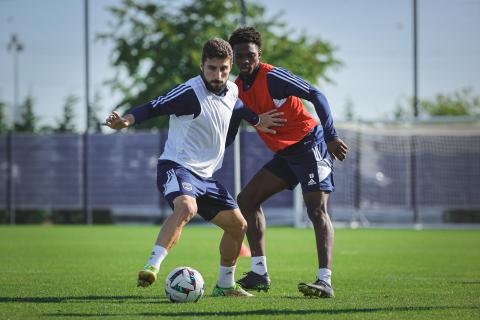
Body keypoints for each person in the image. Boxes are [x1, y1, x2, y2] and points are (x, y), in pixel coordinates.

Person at [103, 38, 285, 297]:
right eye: (212, 68)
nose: (218, 75)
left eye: (223, 68)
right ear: (202, 66)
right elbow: (153, 107)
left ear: (230, 65)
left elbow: (239, 106)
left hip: (206, 178)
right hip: (177, 167)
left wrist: (257, 119)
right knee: (187, 207)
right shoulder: (189, 93)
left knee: (238, 226)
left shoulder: (232, 90)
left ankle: (225, 285)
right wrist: (126, 121)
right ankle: (151, 266)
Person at [227, 27, 348, 298]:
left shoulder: (273, 77)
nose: (245, 60)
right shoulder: (235, 89)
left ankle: (325, 280)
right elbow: (231, 130)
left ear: (260, 54)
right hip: (286, 155)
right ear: (233, 58)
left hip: (311, 145)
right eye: (240, 56)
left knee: (316, 210)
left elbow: (317, 95)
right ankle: (259, 273)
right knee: (246, 200)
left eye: (250, 55)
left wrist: (331, 136)